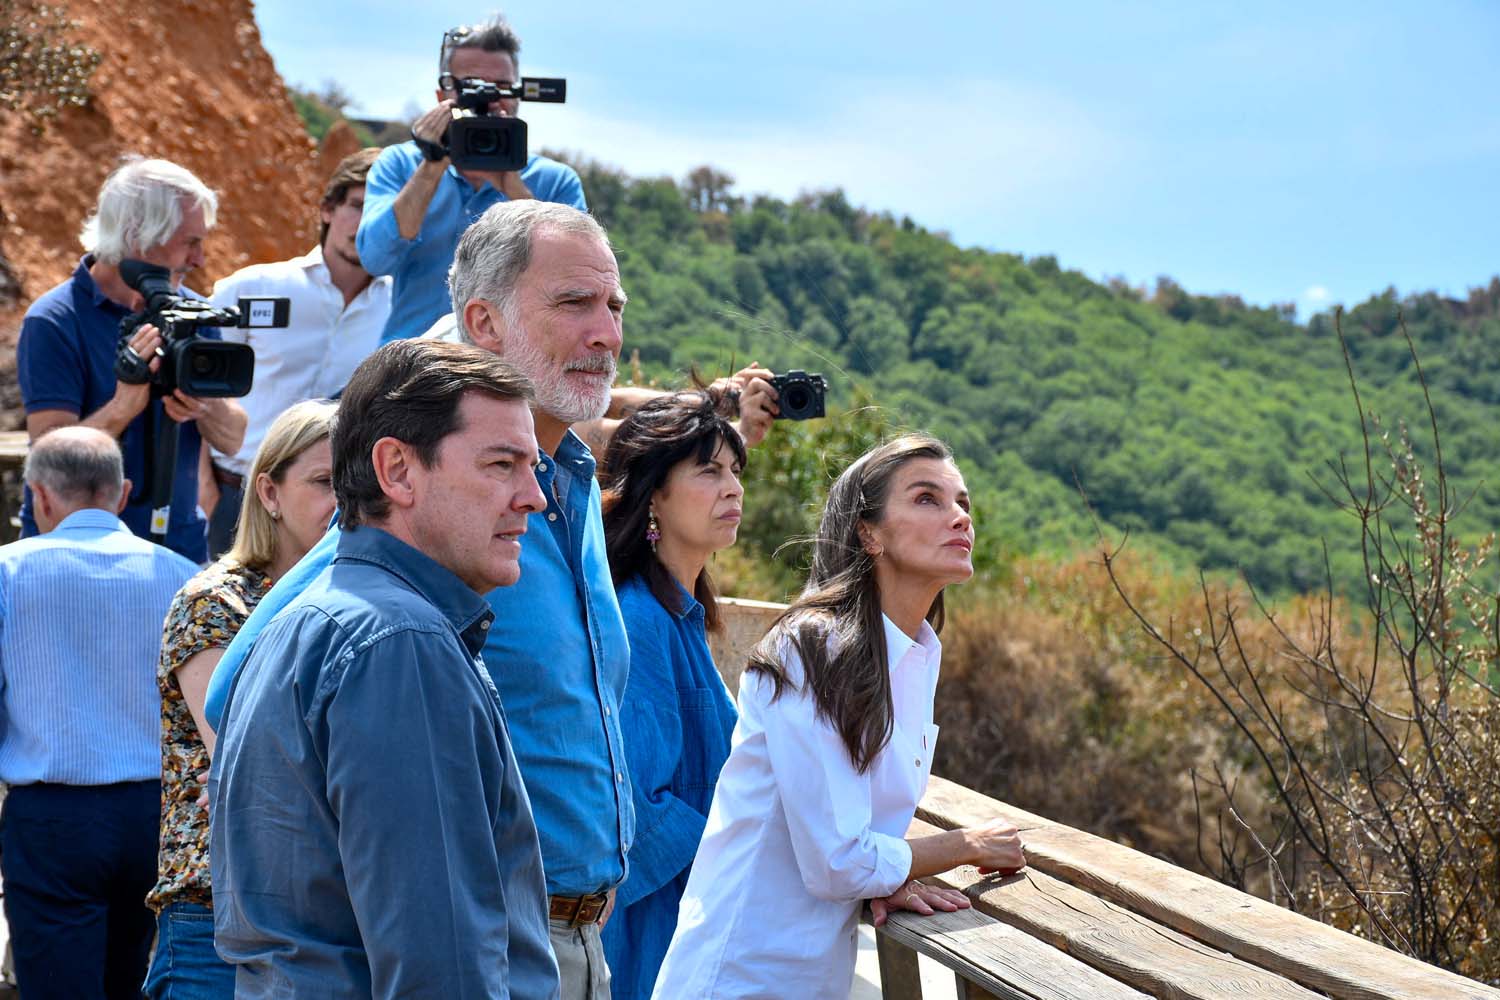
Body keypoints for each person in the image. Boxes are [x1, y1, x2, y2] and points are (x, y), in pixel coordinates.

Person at [210, 340, 557, 998]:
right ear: (397, 471)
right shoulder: (400, 645)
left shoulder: (316, 619)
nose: (533, 497)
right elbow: (441, 961)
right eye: (503, 464)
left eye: (532, 467)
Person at [651, 435, 1028, 1000]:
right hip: (739, 973)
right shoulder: (812, 649)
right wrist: (966, 845)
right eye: (927, 498)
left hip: (810, 975)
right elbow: (839, 860)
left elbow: (854, 835)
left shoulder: (917, 651)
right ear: (867, 532)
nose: (959, 517)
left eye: (963, 503)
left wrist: (895, 871)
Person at [143, 399, 337, 1000]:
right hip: (217, 913)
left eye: (356, 482)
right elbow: (243, 754)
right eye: (325, 481)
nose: (345, 501)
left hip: (322, 911)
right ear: (270, 493)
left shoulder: (356, 602)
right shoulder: (217, 601)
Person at [0, 427, 198, 999]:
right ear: (123, 491)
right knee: (129, 977)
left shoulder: (10, 572)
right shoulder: (183, 576)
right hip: (154, 814)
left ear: (38, 496)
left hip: (51, 815)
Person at [17, 156, 248, 562]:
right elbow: (46, 460)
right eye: (189, 242)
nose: (200, 260)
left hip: (178, 552)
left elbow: (233, 436)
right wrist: (124, 406)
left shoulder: (191, 314)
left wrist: (203, 405)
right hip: (73, 557)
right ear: (137, 235)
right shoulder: (55, 320)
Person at [597, 389, 745, 1000]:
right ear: (654, 492)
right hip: (650, 940)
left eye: (735, 471)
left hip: (685, 922)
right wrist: (750, 835)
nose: (733, 488)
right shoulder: (641, 619)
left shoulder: (678, 613)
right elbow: (637, 810)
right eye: (708, 471)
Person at [203, 149, 391, 556]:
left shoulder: (401, 310)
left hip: (339, 508)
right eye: (356, 206)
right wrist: (205, 491)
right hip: (233, 494)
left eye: (379, 211)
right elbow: (199, 389)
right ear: (327, 209)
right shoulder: (252, 288)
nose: (364, 223)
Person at [357, 14, 587, 343]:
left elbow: (575, 274)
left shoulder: (555, 182)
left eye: (502, 88)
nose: (489, 102)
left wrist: (510, 182)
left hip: (514, 371)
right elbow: (375, 259)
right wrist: (432, 165)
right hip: (415, 366)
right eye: (472, 88)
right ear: (442, 96)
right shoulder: (400, 165)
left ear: (519, 95)